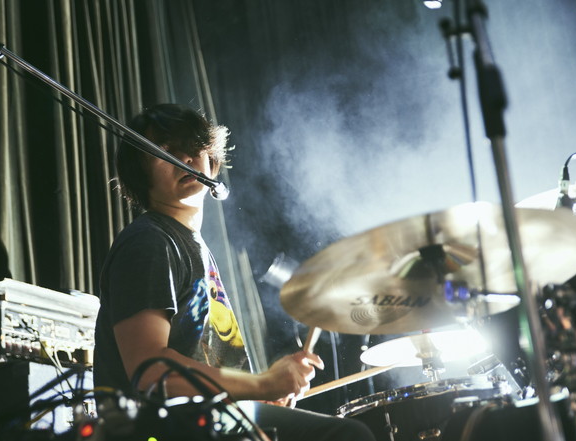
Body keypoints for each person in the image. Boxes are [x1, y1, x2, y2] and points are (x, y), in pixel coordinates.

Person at [93, 103, 375, 440]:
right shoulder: (149, 241)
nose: (185, 158)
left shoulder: (189, 244)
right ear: (140, 175)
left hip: (212, 422)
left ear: (212, 160)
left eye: (192, 146)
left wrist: (256, 395)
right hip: (162, 430)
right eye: (165, 151)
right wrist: (263, 383)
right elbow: (149, 372)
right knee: (349, 435)